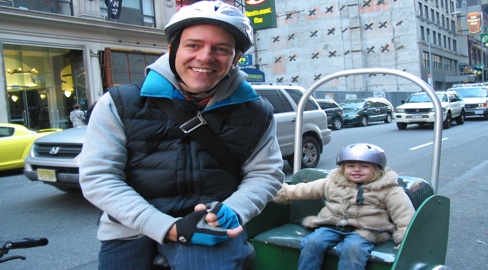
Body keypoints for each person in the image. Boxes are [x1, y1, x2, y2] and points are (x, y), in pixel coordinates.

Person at [79, 1, 284, 270]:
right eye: (193, 45)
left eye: (221, 49)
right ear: (172, 49)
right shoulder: (118, 102)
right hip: (130, 225)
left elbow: (266, 174)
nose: (205, 57)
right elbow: (99, 176)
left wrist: (232, 211)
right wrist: (169, 227)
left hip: (209, 223)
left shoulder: (256, 111)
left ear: (235, 59)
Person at [274, 143, 415, 270]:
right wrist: (284, 192)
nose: (356, 170)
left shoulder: (388, 189)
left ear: (377, 170)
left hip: (366, 231)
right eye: (351, 166)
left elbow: (403, 214)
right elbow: (306, 189)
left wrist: (406, 237)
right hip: (331, 226)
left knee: (353, 249)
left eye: (364, 166)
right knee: (312, 242)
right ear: (342, 168)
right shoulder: (333, 182)